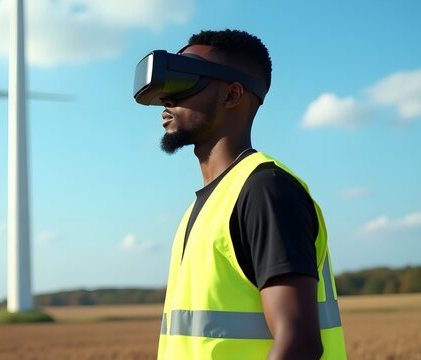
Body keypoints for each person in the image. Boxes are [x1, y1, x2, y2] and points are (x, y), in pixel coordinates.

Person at [133, 29, 347, 359]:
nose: (166, 98)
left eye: (185, 80)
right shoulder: (204, 206)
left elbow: (299, 344)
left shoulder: (265, 190)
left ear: (232, 95)